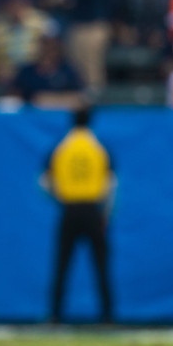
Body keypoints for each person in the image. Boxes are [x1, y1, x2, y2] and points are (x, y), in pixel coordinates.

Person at [41, 106, 115, 325]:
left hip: (69, 208)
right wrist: (106, 214)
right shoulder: (99, 148)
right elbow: (110, 184)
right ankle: (107, 315)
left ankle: (55, 314)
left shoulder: (62, 147)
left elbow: (45, 181)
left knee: (62, 264)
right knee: (101, 265)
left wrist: (60, 197)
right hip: (93, 209)